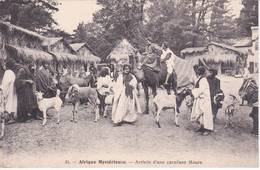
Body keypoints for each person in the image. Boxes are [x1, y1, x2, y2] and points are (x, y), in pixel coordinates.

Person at [190, 66, 213, 135]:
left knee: (205, 113)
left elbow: (201, 90)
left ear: (200, 72)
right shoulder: (201, 79)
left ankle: (207, 129)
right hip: (201, 98)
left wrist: (193, 91)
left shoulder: (203, 80)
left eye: (198, 71)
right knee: (201, 114)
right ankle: (202, 127)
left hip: (204, 99)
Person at [1, 58, 17, 123]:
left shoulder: (7, 72)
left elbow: (6, 83)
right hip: (13, 89)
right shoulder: (12, 72)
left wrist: (3, 89)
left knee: (9, 103)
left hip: (10, 90)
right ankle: (12, 117)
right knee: (13, 103)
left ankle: (10, 117)